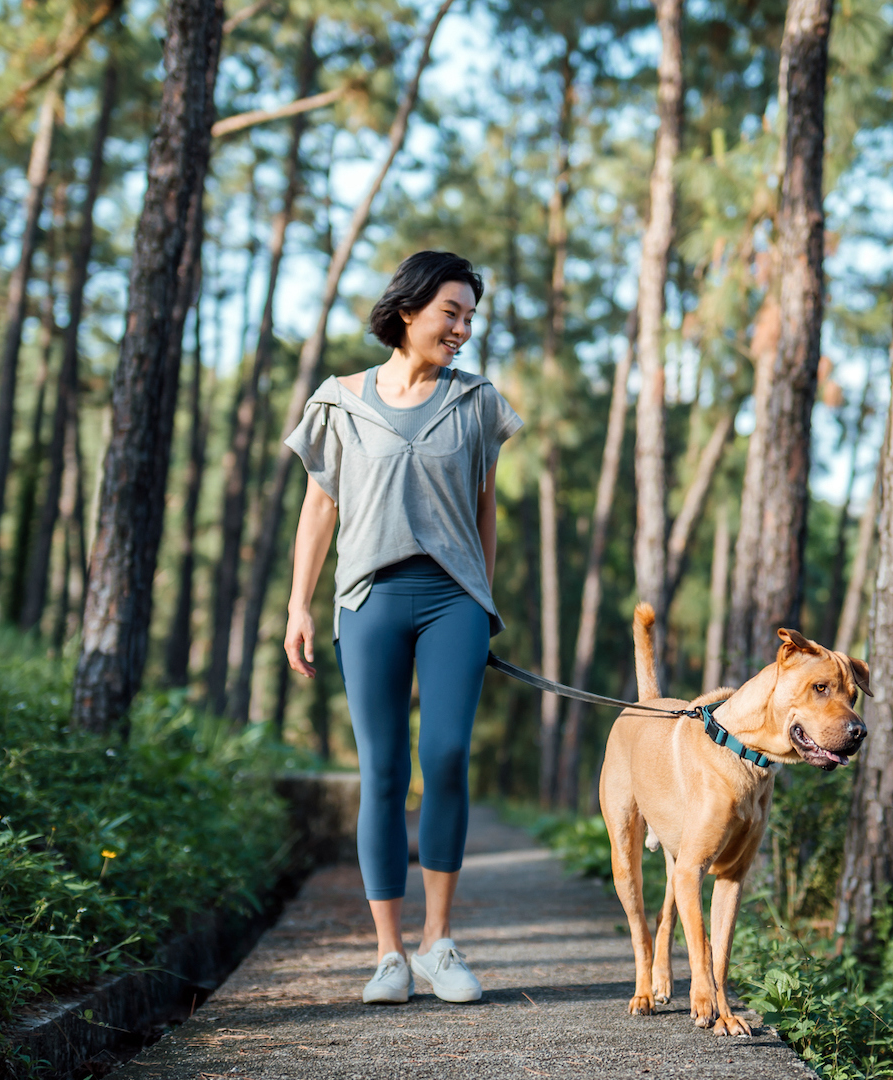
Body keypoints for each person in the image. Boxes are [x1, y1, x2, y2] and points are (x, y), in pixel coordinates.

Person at [281, 251, 521, 1005]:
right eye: (452, 312)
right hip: (369, 601)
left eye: (471, 317)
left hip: (453, 601)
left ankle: (437, 944)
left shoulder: (477, 401)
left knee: (445, 757)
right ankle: (388, 954)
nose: (462, 328)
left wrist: (483, 600)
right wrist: (299, 606)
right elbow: (321, 507)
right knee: (383, 771)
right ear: (410, 309)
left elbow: (485, 505)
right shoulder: (340, 401)